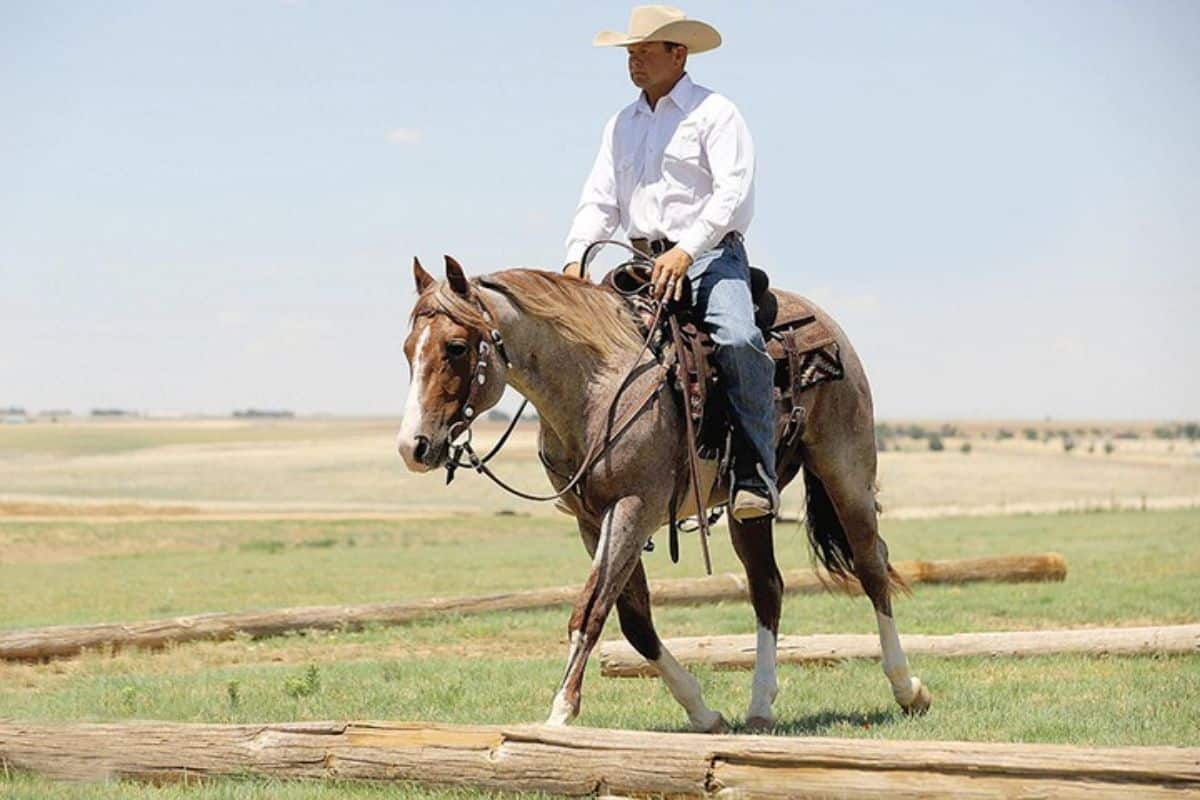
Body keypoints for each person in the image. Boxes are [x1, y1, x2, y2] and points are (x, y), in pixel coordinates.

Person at [562, 5, 778, 521]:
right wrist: (576, 259)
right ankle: (590, 473)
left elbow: (732, 193)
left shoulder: (715, 113)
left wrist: (686, 249)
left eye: (642, 52)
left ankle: (754, 473)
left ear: (677, 53)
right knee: (582, 349)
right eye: (629, 54)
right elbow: (600, 201)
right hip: (638, 263)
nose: (632, 63)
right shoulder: (621, 124)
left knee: (737, 338)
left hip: (707, 258)